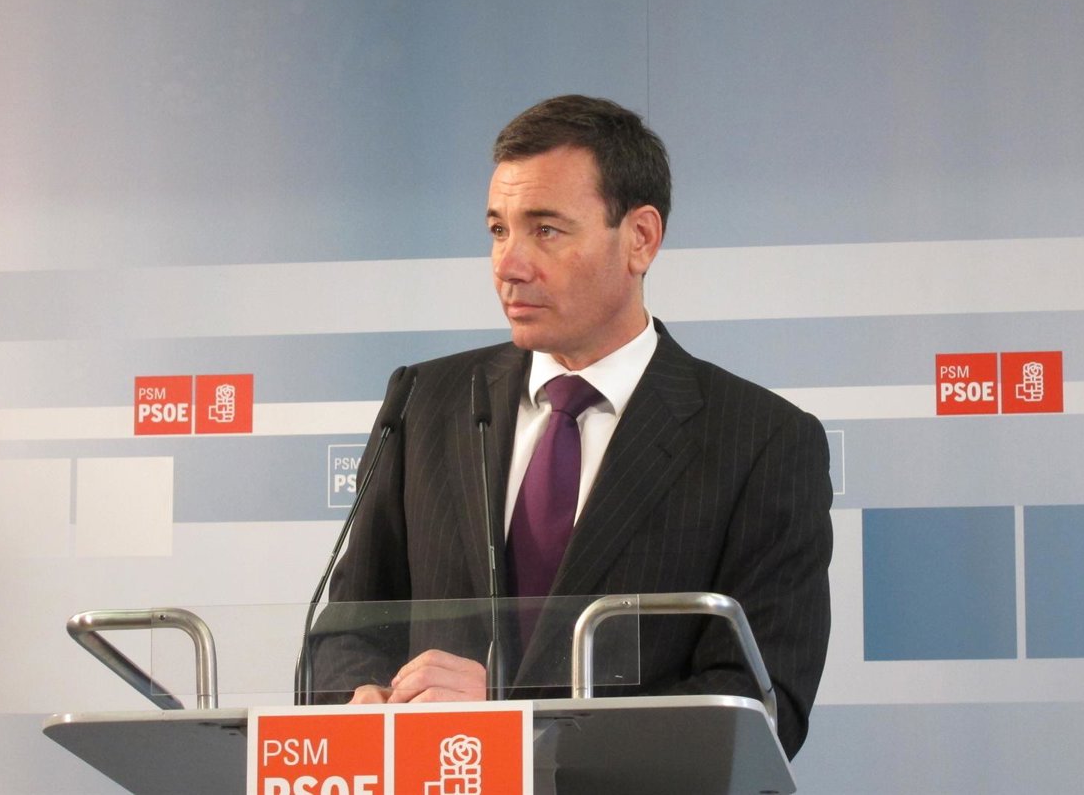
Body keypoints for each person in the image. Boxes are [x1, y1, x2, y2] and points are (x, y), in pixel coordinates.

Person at [313, 94, 833, 758]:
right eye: (498, 230)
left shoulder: (762, 441)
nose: (508, 264)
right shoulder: (424, 402)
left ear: (640, 238)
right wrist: (361, 696)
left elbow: (759, 709)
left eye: (546, 231)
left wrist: (518, 725)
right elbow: (347, 628)